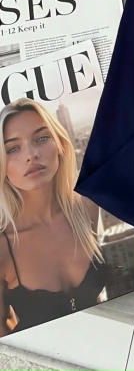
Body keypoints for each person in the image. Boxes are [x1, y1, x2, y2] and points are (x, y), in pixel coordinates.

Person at [0, 98, 107, 335]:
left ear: (61, 145)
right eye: (13, 148)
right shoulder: (3, 246)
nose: (31, 155)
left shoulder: (86, 208)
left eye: (41, 139)